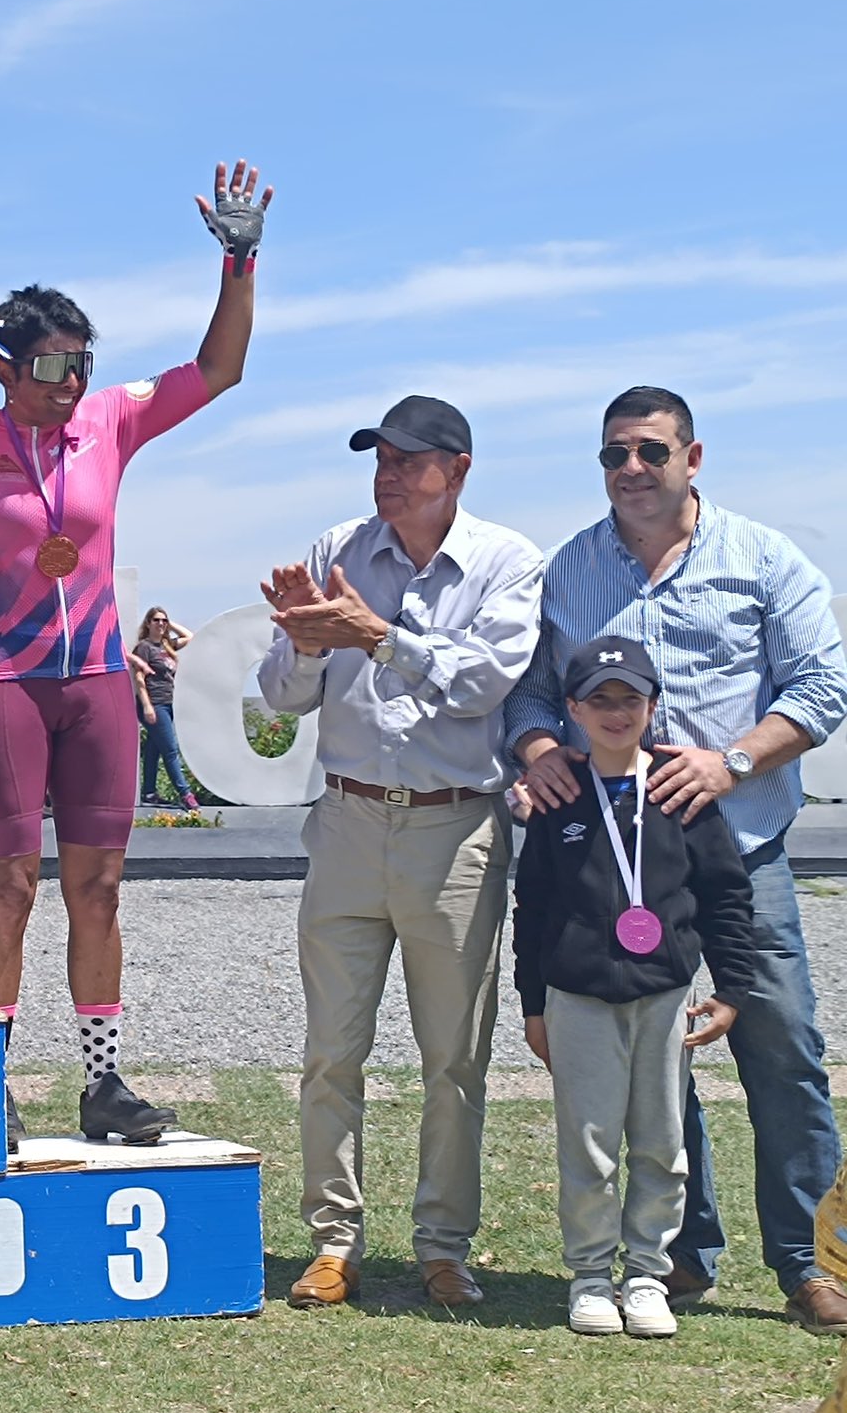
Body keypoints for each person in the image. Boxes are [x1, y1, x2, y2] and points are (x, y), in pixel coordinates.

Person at [0, 160, 267, 1150]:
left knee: (96, 889)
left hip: (100, 682)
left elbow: (217, 370)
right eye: (56, 366)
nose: (75, 383)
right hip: (3, 690)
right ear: (6, 367)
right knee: (7, 891)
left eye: (83, 363)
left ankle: (102, 1087)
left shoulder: (107, 421)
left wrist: (237, 261)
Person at [503, 385, 847, 1333]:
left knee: (780, 1048)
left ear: (694, 459)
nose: (631, 470)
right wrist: (538, 752)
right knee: (657, 1057)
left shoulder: (763, 558)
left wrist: (731, 761)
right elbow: (530, 697)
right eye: (615, 453)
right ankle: (677, 1258)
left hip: (737, 844)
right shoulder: (569, 571)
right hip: (615, 870)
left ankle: (809, 1264)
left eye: (652, 452)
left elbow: (826, 685)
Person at [257, 394, 543, 1310]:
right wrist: (305, 643)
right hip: (345, 822)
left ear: (458, 471)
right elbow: (281, 696)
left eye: (410, 460)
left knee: (453, 1057)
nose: (388, 473)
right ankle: (333, 1242)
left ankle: (443, 1247)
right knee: (329, 1052)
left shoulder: (507, 561)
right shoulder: (334, 550)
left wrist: (375, 635)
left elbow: (481, 685)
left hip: (455, 828)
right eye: (379, 456)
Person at [511, 635, 756, 1338]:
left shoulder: (683, 794)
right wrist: (534, 1005)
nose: (616, 713)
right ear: (573, 710)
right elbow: (533, 909)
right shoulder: (557, 796)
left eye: (630, 699)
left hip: (664, 996)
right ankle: (591, 1274)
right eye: (599, 700)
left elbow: (725, 897)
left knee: (660, 1141)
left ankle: (646, 1272)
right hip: (578, 996)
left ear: (652, 706)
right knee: (587, 1143)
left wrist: (731, 989)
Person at [129, 608, 197, 810]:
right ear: (148, 623)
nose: (161, 623)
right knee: (170, 750)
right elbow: (139, 678)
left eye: (163, 620)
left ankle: (149, 792)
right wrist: (147, 706)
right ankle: (185, 794)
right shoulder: (144, 648)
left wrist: (170, 623)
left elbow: (189, 637)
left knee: (154, 750)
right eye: (156, 620)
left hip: (169, 703)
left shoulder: (167, 646)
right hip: (154, 703)